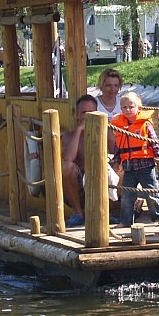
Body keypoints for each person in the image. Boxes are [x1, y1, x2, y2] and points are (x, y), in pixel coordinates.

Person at [61, 95, 117, 227]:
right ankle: (78, 214)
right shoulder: (69, 136)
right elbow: (68, 158)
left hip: (102, 178)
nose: (87, 116)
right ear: (77, 115)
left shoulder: (106, 132)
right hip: (79, 185)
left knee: (121, 167)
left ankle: (107, 212)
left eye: (91, 113)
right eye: (84, 113)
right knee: (65, 167)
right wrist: (79, 130)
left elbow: (117, 153)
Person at [110, 92, 159, 227]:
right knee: (127, 195)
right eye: (124, 107)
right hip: (129, 167)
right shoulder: (120, 126)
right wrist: (116, 161)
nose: (127, 110)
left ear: (139, 108)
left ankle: (157, 218)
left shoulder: (145, 124)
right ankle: (126, 221)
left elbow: (154, 142)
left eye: (131, 107)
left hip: (146, 165)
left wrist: (158, 158)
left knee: (151, 192)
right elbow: (118, 146)